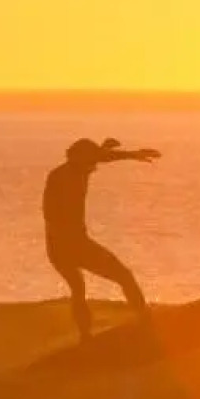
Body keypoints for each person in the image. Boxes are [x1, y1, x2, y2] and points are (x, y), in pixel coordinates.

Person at [43, 137, 160, 341]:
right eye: (91, 162)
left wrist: (132, 154)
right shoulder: (59, 177)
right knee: (118, 277)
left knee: (84, 288)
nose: (94, 167)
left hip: (65, 245)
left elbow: (103, 157)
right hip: (66, 245)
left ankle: (90, 335)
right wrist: (66, 238)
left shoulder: (80, 167)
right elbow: (49, 212)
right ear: (77, 158)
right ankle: (143, 321)